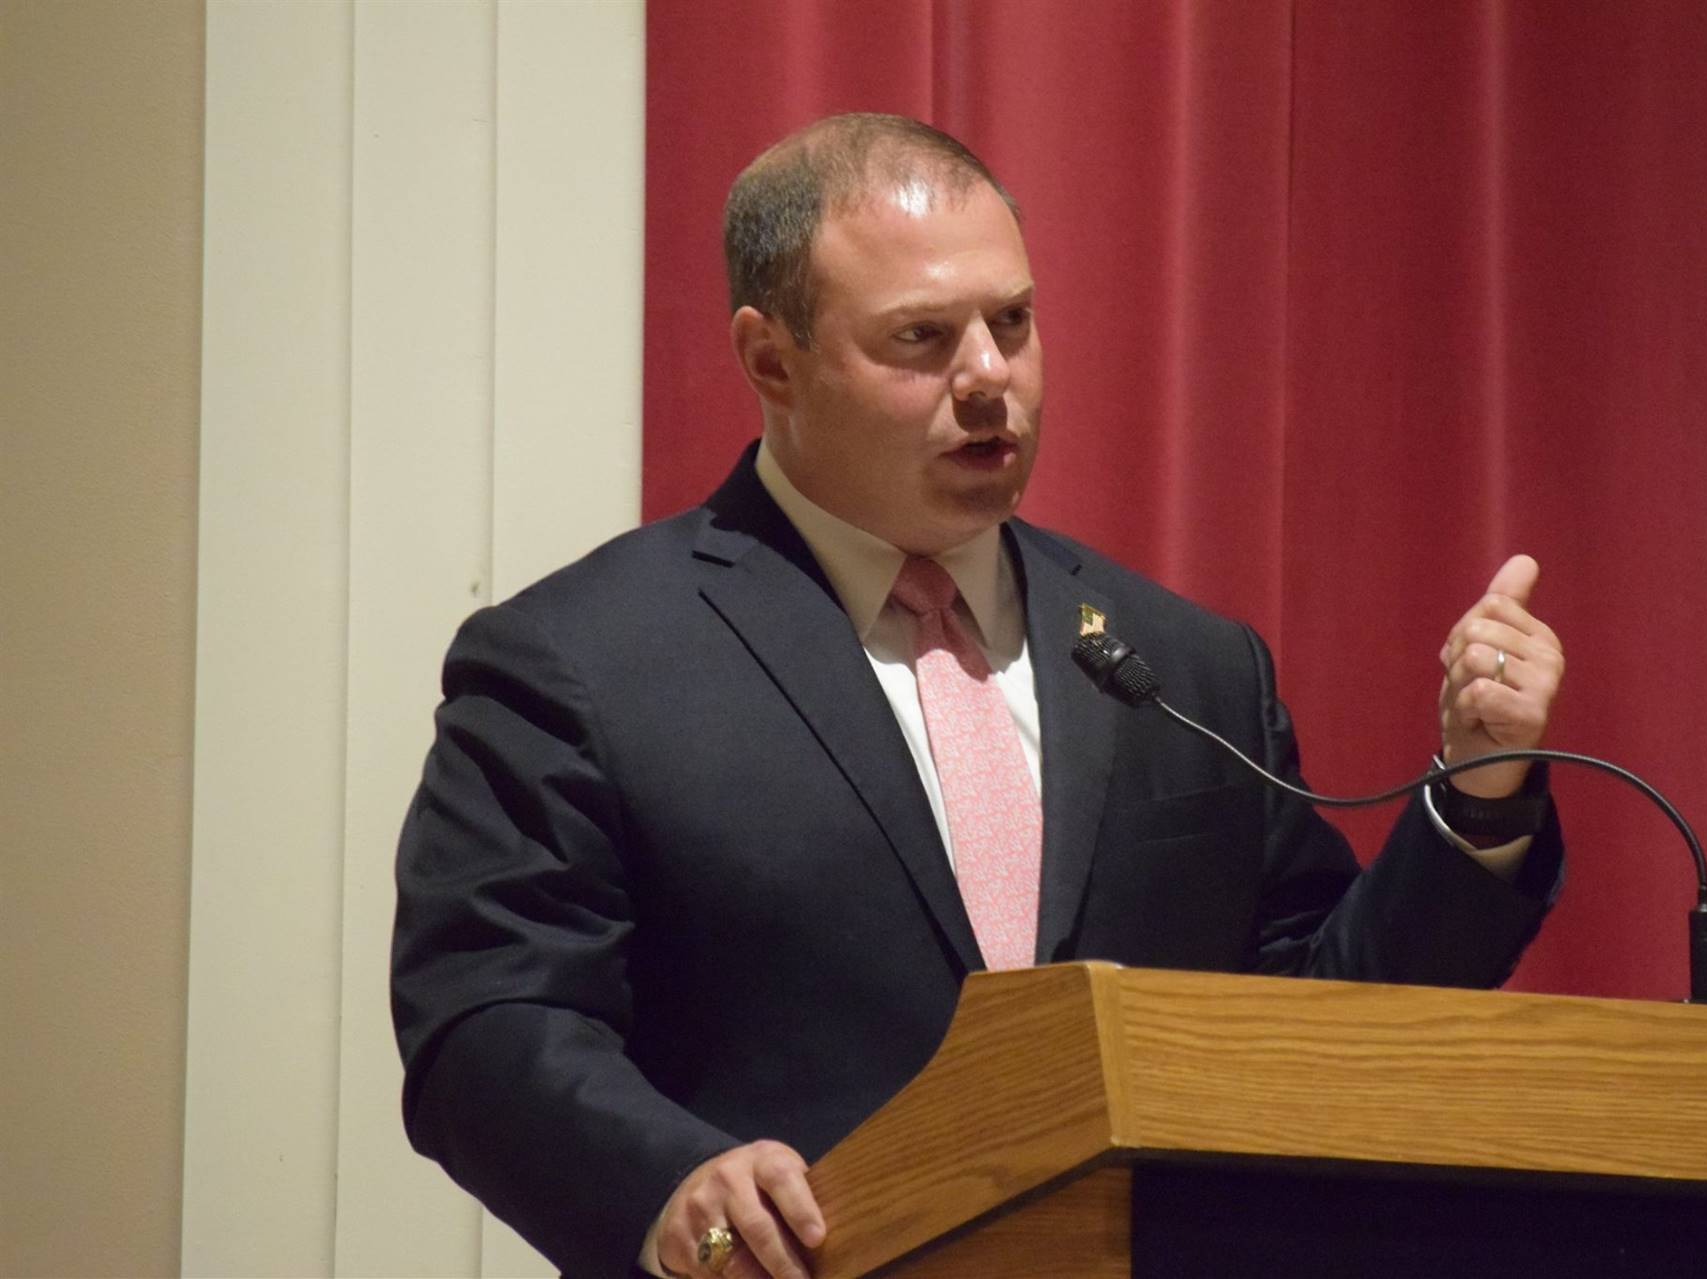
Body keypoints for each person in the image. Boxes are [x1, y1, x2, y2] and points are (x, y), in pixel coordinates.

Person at [392, 113, 1567, 1279]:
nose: (990, 377)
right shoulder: (582, 663)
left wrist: (1478, 794)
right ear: (771, 359)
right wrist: (668, 1181)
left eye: (1011, 322)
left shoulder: (1186, 663)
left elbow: (1314, 1031)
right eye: (922, 338)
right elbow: (490, 1022)